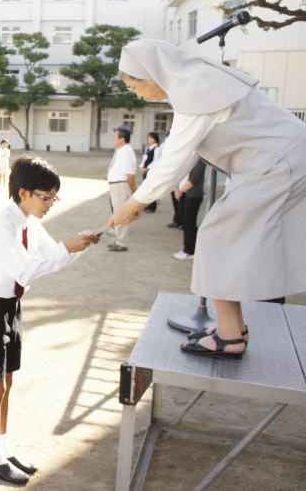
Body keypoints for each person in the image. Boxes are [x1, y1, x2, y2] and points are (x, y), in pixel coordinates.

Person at [110, 38, 306, 359]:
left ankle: (229, 336)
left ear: (154, 74)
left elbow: (173, 158)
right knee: (221, 237)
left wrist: (136, 202)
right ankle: (234, 329)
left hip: (276, 163)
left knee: (217, 236)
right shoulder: (194, 82)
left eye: (136, 87)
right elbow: (183, 153)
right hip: (280, 160)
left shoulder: (192, 88)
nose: (139, 94)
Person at [0, 156, 99, 484]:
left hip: (11, 306)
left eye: (55, 198)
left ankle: (4, 447)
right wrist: (66, 248)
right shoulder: (5, 224)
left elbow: (50, 259)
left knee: (8, 382)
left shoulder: (29, 220)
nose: (51, 204)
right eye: (46, 197)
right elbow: (26, 270)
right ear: (23, 192)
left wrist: (77, 246)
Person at [105, 126, 137, 252]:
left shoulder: (126, 151)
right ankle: (119, 240)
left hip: (121, 186)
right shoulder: (121, 150)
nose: (113, 139)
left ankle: (122, 243)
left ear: (122, 139)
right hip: (116, 185)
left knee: (121, 214)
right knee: (117, 213)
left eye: (115, 136)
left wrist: (132, 187)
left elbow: (130, 174)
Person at [172, 158, 206, 261]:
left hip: (192, 195)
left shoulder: (201, 159)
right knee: (185, 223)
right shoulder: (187, 157)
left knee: (190, 223)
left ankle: (190, 251)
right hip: (183, 194)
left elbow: (194, 179)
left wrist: (181, 190)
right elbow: (177, 174)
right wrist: (176, 189)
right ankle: (186, 248)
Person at [140, 132, 160, 213]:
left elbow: (156, 161)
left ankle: (152, 206)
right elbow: (144, 158)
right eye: (148, 138)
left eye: (151, 138)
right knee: (146, 188)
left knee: (151, 189)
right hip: (145, 171)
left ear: (155, 139)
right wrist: (142, 167)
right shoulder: (148, 148)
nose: (149, 140)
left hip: (151, 171)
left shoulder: (157, 149)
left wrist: (147, 169)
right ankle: (147, 205)